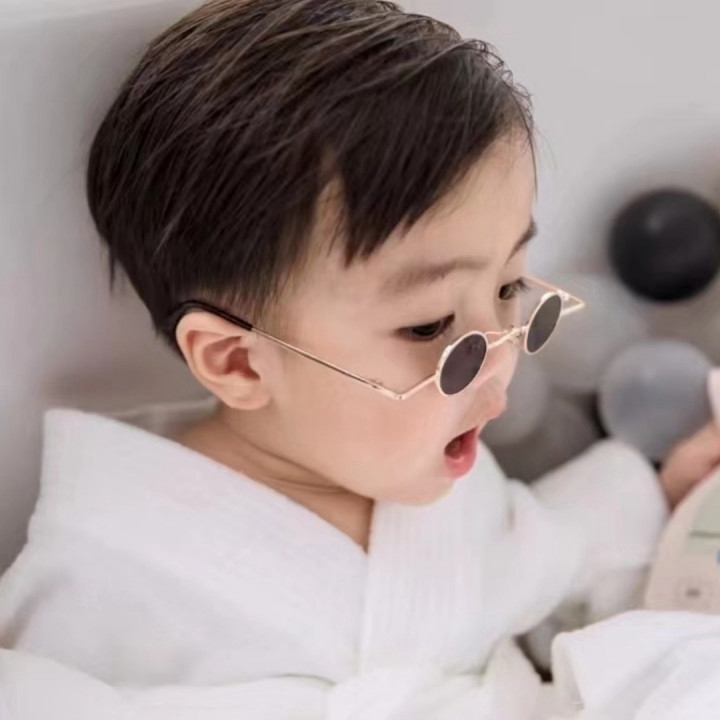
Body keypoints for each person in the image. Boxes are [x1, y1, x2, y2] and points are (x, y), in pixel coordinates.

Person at [1, 1, 719, 717]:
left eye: (508, 289)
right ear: (238, 363)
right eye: (429, 325)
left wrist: (656, 496)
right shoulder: (102, 589)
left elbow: (531, 562)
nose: (498, 365)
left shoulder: (420, 470)